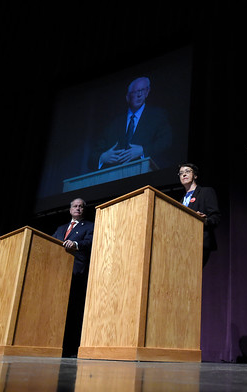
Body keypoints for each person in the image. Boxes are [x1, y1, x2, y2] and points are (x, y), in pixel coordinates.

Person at [89, 76, 173, 171]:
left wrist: (142, 151)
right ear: (127, 97)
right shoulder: (114, 123)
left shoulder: (158, 115)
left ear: (147, 92)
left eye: (142, 90)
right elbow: (92, 156)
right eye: (135, 92)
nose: (139, 95)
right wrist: (103, 157)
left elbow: (166, 142)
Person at [52, 198, 94, 357]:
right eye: (75, 206)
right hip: (58, 273)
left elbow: (90, 242)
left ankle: (71, 348)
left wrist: (76, 245)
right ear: (70, 209)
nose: (78, 208)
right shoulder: (61, 228)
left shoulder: (90, 226)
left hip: (77, 272)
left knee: (74, 310)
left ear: (84, 210)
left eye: (81, 207)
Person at [178, 163, 221, 267]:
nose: (184, 175)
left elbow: (216, 217)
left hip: (199, 242)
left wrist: (206, 220)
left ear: (195, 176)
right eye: (181, 173)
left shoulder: (206, 192)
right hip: (181, 244)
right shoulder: (180, 201)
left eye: (187, 171)